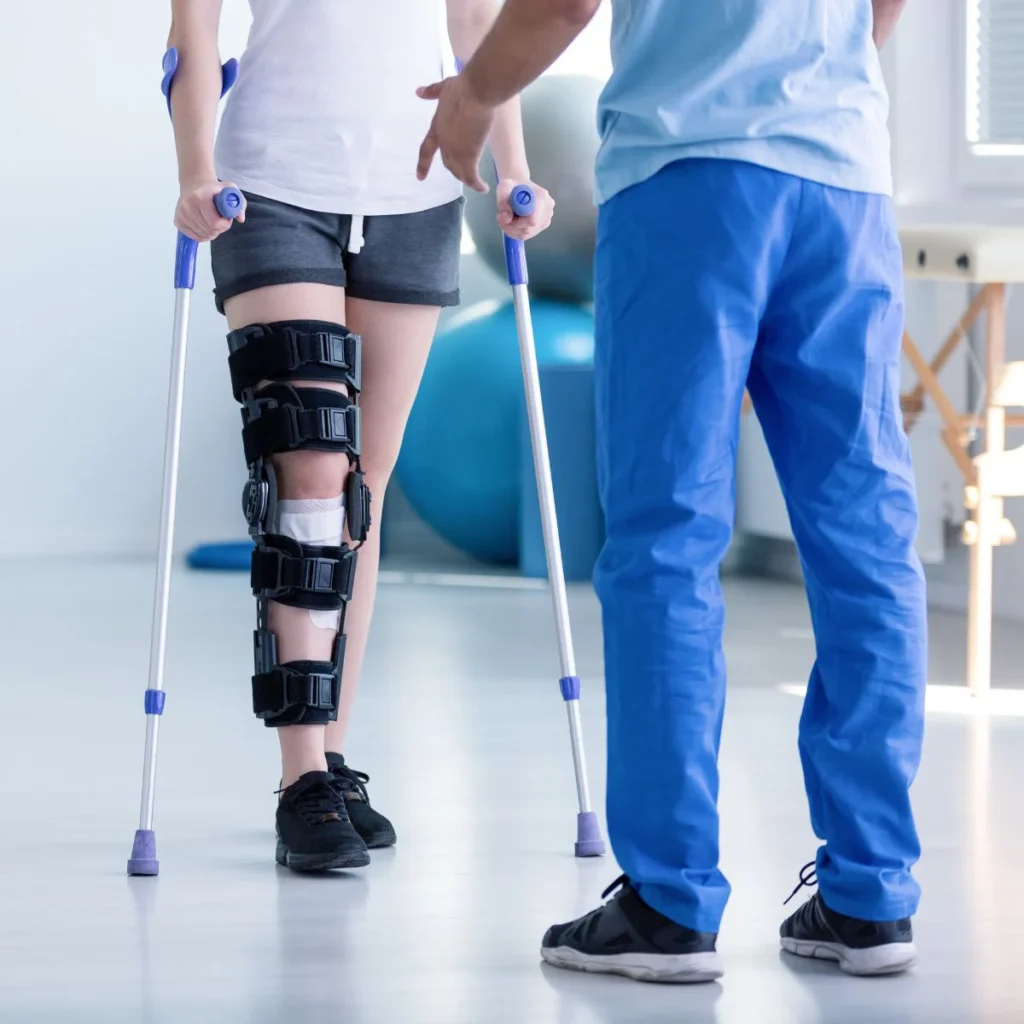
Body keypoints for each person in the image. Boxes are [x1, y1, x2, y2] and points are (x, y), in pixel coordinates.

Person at [418, 0, 922, 982]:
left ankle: (670, 902)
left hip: (689, 178)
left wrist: (476, 94)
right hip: (843, 187)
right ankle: (870, 896)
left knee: (664, 540)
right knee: (865, 541)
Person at [166, 0, 553, 873]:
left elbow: (483, 27)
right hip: (267, 189)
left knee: (355, 495)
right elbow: (193, 34)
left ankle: (333, 756)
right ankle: (300, 776)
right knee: (304, 475)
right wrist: (195, 171)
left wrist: (515, 170)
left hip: (417, 190)